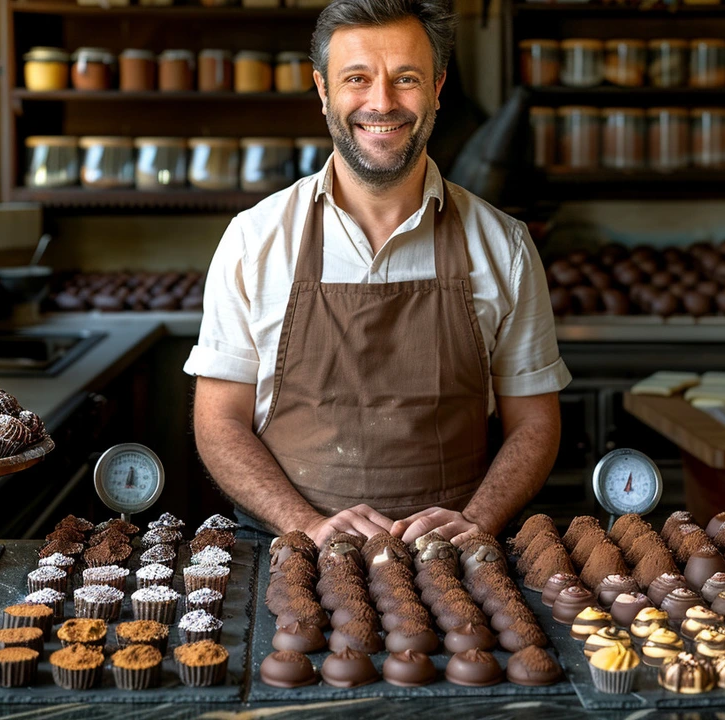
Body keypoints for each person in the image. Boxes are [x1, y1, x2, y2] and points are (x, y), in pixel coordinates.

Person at [185, 0, 570, 546]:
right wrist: (308, 527)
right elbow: (218, 422)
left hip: (455, 564)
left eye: (405, 78)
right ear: (323, 91)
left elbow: (534, 422)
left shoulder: (502, 244)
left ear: (437, 88)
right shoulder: (255, 240)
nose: (381, 102)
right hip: (290, 557)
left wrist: (478, 521)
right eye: (357, 78)